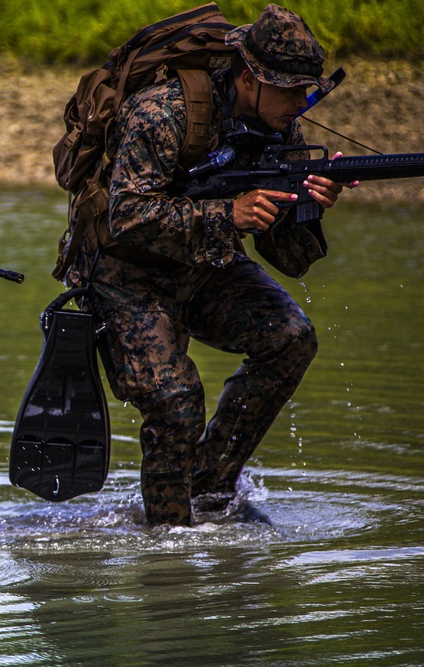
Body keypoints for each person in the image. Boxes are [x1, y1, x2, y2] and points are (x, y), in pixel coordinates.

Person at [65, 4, 354, 526]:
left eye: (306, 92)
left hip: (202, 263)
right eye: (288, 91)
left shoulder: (280, 127)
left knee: (290, 337)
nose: (299, 104)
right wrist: (232, 213)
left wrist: (305, 202)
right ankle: (169, 542)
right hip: (125, 274)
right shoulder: (164, 112)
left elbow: (290, 259)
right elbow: (127, 215)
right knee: (176, 400)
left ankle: (209, 490)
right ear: (247, 79)